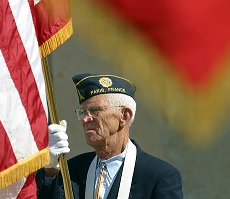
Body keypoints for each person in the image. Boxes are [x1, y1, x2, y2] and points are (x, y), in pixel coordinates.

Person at [36, 73, 183, 199]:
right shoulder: (72, 170)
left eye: (95, 110)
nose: (85, 119)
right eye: (82, 112)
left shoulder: (159, 176)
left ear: (124, 116)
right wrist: (50, 170)